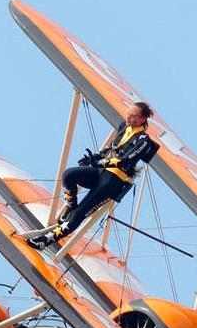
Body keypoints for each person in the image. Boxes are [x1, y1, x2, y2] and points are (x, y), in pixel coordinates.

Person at [30, 102, 160, 248]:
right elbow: (112, 146)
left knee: (80, 212)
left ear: (142, 119)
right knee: (69, 175)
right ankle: (71, 203)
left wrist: (104, 162)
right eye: (128, 113)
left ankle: (47, 240)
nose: (128, 117)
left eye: (132, 115)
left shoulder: (144, 140)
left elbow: (126, 159)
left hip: (114, 180)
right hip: (101, 172)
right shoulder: (124, 126)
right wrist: (96, 156)